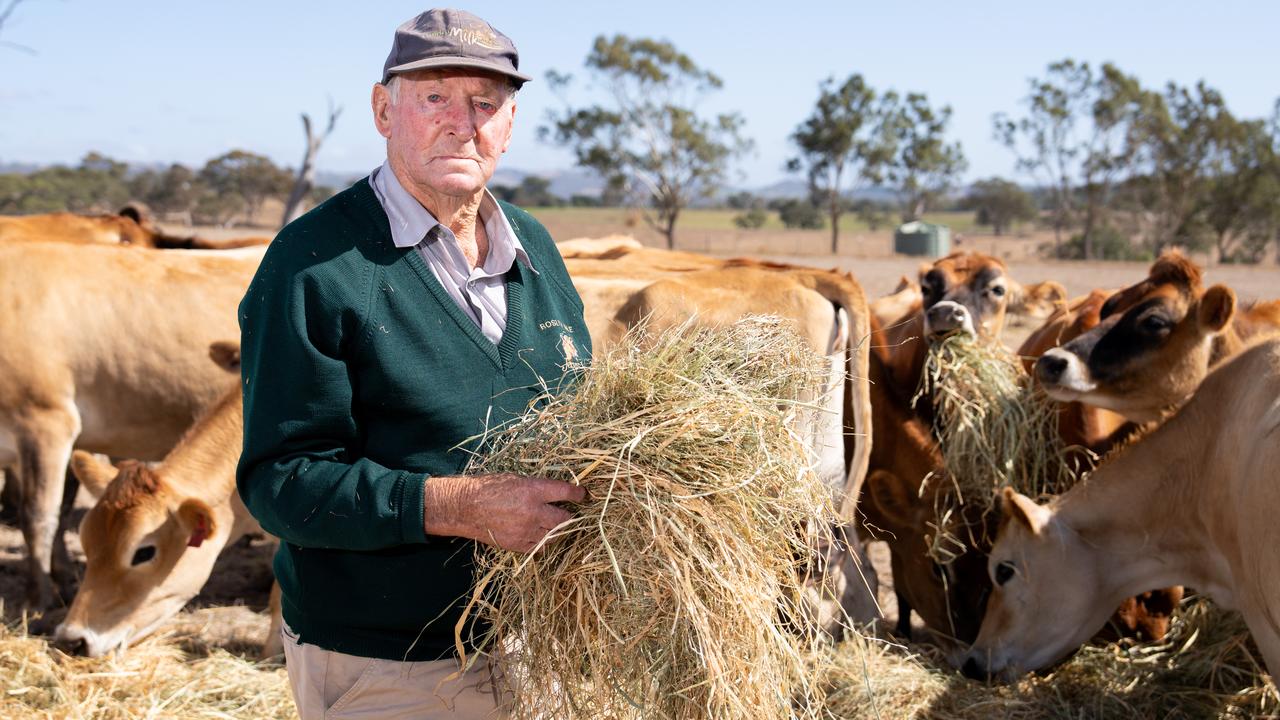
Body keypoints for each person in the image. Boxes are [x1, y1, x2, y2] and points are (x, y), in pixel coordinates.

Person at [236, 9, 591, 718]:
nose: (463, 122)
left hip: (540, 644)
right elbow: (281, 482)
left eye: (486, 103)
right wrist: (459, 507)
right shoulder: (314, 267)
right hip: (390, 663)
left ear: (510, 125)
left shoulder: (535, 247)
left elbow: (581, 412)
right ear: (383, 109)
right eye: (435, 97)